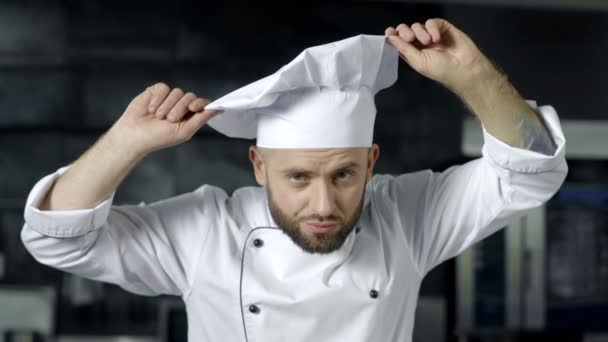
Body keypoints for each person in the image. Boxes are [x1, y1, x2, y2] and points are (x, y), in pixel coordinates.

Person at [21, 18, 566, 342]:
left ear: (372, 161)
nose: (323, 203)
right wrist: (125, 142)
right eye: (299, 177)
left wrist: (471, 75)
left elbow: (528, 172)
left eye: (345, 174)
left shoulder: (408, 218)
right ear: (259, 166)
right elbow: (59, 238)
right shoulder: (206, 231)